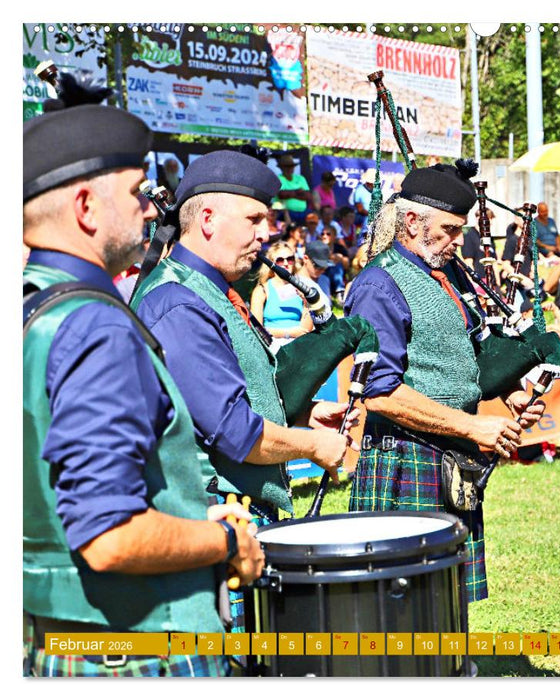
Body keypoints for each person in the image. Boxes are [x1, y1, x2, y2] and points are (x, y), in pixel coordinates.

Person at [23, 96, 263, 677]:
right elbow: (110, 534)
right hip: (137, 650)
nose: (152, 207)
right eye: (135, 192)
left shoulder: (34, 308)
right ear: (85, 207)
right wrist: (226, 542)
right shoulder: (95, 325)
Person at [343, 160, 545, 603]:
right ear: (412, 221)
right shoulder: (379, 284)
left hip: (452, 451)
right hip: (403, 459)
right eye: (451, 229)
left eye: (462, 229)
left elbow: (468, 349)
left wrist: (512, 393)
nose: (460, 240)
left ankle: (454, 670)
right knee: (405, 602)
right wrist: (473, 427)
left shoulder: (448, 273)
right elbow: (377, 393)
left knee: (449, 596)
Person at [131, 150, 352, 526]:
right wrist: (315, 445)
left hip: (235, 513)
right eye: (254, 220)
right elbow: (236, 434)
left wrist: (304, 412)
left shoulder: (208, 290)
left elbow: (227, 393)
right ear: (207, 220)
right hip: (214, 519)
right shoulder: (178, 303)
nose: (266, 234)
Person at [250, 241, 314, 348]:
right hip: (272, 345)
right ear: (271, 263)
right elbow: (257, 330)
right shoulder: (262, 290)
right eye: (280, 260)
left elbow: (305, 330)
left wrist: (306, 302)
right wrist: (288, 333)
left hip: (299, 345)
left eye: (290, 259)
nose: (285, 263)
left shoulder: (303, 287)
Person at [274, 153, 311, 225]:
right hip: (285, 212)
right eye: (287, 167)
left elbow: (308, 196)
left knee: (313, 216)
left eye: (291, 166)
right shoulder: (278, 178)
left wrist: (290, 193)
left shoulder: (301, 178)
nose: (289, 169)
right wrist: (299, 192)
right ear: (282, 168)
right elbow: (281, 194)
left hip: (303, 212)